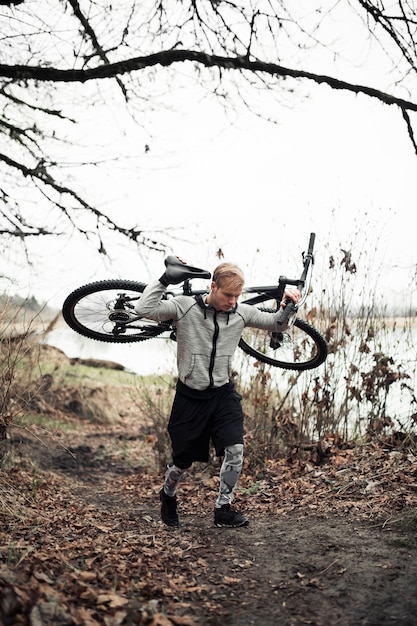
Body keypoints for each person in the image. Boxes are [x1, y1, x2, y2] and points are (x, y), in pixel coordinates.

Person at [135, 257, 300, 528]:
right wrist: (165, 280)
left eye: (237, 296)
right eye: (228, 295)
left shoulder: (241, 313)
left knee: (235, 450)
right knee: (182, 462)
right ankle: (168, 494)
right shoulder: (185, 307)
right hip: (190, 397)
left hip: (223, 394)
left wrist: (289, 306)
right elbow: (144, 309)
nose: (232, 301)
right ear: (213, 287)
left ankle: (223, 508)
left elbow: (278, 324)